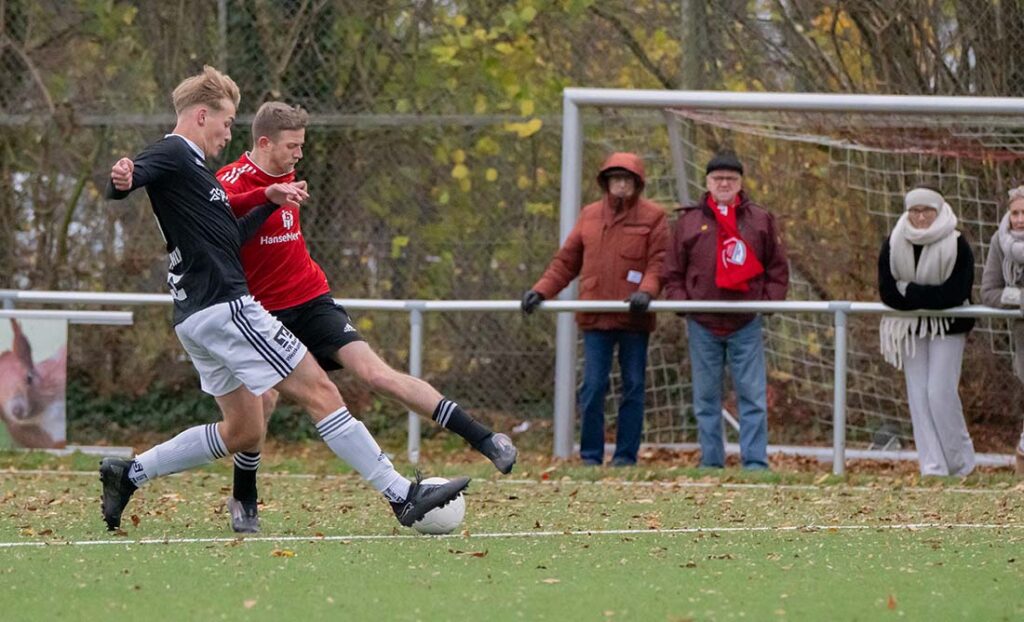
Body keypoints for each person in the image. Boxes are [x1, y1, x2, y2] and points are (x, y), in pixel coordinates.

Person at [99, 66, 469, 532]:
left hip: (193, 317)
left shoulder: (196, 173)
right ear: (199, 115)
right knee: (321, 391)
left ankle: (129, 474)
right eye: (226, 121)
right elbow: (131, 177)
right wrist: (123, 177)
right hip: (226, 307)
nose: (229, 132)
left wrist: (268, 198)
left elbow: (228, 232)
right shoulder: (175, 152)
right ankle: (400, 495)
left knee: (244, 431)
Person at [215, 102, 517, 531]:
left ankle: (485, 438)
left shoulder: (287, 174)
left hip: (312, 299)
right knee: (262, 402)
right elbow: (218, 229)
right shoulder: (229, 183)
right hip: (262, 313)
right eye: (292, 146)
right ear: (263, 143)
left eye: (302, 145)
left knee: (377, 374)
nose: (299, 154)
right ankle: (244, 499)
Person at [521, 152, 668, 466]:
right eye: (615, 178)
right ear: (605, 182)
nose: (620, 185)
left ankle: (626, 457)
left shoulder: (654, 216)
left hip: (634, 320)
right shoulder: (589, 215)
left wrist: (646, 291)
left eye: (626, 179)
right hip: (595, 318)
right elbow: (566, 262)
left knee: (633, 386)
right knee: (593, 387)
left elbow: (659, 263)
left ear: (637, 183)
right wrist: (540, 290)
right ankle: (590, 456)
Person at [663, 151, 789, 470]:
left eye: (730, 179)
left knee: (752, 396)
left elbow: (777, 267)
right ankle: (711, 461)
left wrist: (769, 302)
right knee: (706, 398)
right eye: (718, 178)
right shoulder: (689, 221)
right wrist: (683, 305)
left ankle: (755, 462)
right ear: (707, 182)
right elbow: (673, 271)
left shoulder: (759, 219)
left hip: (745, 322)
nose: (724, 184)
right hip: (703, 323)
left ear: (740, 183)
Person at [878, 186, 976, 477]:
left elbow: (955, 293)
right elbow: (887, 291)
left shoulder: (957, 243)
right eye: (915, 211)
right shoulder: (894, 242)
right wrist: (922, 297)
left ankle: (961, 464)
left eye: (927, 211)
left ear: (938, 210)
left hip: (949, 327)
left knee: (940, 393)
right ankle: (933, 467)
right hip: (909, 329)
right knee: (919, 396)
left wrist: (909, 291)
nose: (921, 217)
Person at [979, 185, 1024, 476]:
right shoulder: (1000, 241)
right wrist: (1019, 298)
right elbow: (989, 292)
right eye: (1015, 213)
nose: (1019, 219)